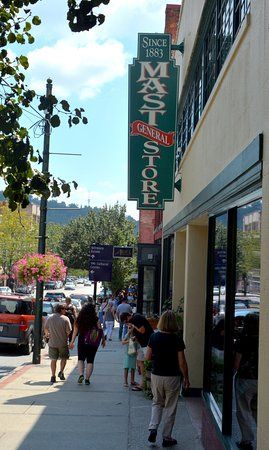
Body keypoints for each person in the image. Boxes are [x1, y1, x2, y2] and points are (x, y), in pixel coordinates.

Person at [145, 310, 190, 447]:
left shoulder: (154, 337)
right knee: (170, 406)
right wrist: (186, 378)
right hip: (172, 376)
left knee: (157, 402)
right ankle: (167, 437)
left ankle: (153, 428)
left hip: (157, 375)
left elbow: (147, 357)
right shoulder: (177, 339)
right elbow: (182, 361)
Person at [234, 314, 259, 450]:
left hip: (245, 379)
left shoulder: (242, 340)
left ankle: (247, 441)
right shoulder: (263, 339)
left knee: (243, 409)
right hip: (261, 380)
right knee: (258, 409)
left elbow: (237, 364)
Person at [69, 303, 106, 385]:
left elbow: (75, 331)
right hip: (93, 341)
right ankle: (87, 379)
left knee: (81, 359)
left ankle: (81, 374)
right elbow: (100, 330)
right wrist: (103, 339)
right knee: (90, 360)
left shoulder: (79, 319)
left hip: (82, 340)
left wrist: (72, 342)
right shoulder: (95, 319)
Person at [120, 311, 154, 391]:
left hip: (147, 343)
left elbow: (142, 330)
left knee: (147, 362)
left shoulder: (136, 318)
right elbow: (137, 334)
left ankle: (148, 383)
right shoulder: (133, 321)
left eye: (126, 321)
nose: (127, 324)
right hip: (142, 345)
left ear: (128, 317)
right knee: (140, 362)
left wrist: (133, 326)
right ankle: (143, 383)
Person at [44, 303, 72, 383]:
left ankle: (53, 376)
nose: (65, 311)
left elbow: (45, 328)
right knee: (64, 358)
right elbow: (68, 331)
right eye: (64, 309)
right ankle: (61, 372)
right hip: (62, 343)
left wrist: (47, 334)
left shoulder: (50, 318)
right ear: (61, 310)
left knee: (53, 360)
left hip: (52, 343)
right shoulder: (65, 319)